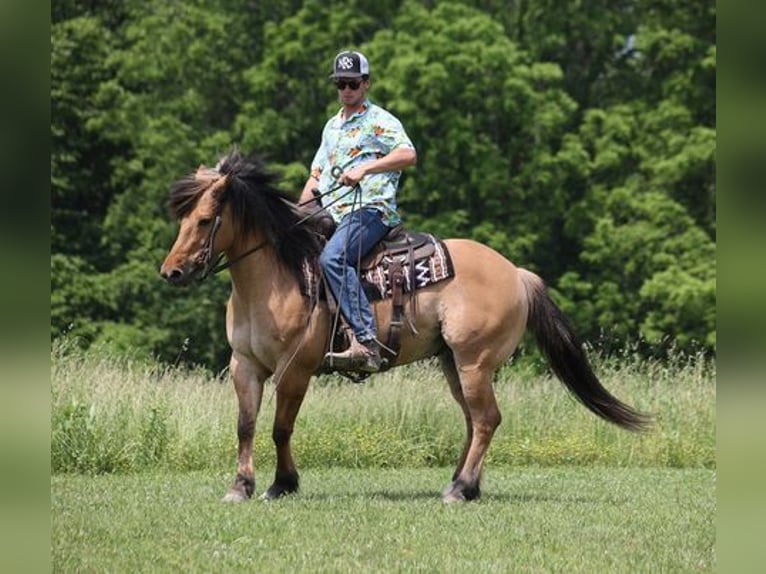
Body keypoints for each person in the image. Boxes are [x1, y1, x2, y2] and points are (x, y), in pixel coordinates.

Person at [299, 50, 417, 372]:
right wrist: (298, 214)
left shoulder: (379, 120)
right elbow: (316, 177)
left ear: (365, 84)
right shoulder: (331, 127)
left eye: (352, 83)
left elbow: (408, 154)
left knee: (333, 258)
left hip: (371, 210)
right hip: (333, 212)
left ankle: (365, 342)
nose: (346, 90)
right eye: (341, 84)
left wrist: (367, 168)